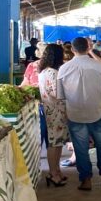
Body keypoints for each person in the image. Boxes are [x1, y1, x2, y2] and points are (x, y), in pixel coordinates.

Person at [57, 37, 101, 191]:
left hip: (75, 114)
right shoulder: (100, 66)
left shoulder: (64, 69)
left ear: (73, 49)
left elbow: (60, 95)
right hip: (98, 111)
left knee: (80, 147)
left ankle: (86, 180)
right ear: (88, 48)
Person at [37, 44, 70, 187]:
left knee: (58, 143)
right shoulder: (53, 73)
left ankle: (56, 171)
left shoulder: (44, 71)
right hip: (55, 112)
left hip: (53, 111)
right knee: (54, 143)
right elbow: (57, 94)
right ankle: (53, 173)